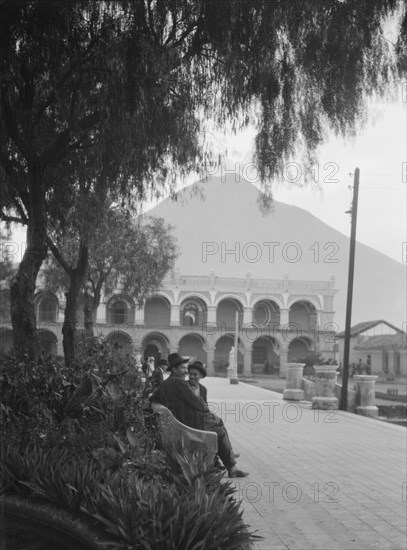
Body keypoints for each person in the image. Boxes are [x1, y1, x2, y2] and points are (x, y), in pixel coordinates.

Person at [155, 353, 248, 478]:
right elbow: (199, 404)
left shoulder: (166, 383)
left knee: (218, 425)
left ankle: (230, 463)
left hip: (179, 422)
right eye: (183, 368)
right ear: (174, 369)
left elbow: (153, 398)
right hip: (188, 423)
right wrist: (206, 412)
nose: (186, 371)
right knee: (219, 431)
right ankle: (231, 464)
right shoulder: (179, 383)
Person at [188, 360, 240, 461]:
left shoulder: (202, 389)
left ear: (201, 376)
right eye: (190, 374)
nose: (191, 376)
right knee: (218, 431)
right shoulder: (185, 387)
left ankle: (228, 452)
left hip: (201, 418)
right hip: (191, 420)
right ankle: (227, 456)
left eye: (195, 374)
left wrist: (209, 415)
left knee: (220, 426)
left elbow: (205, 406)